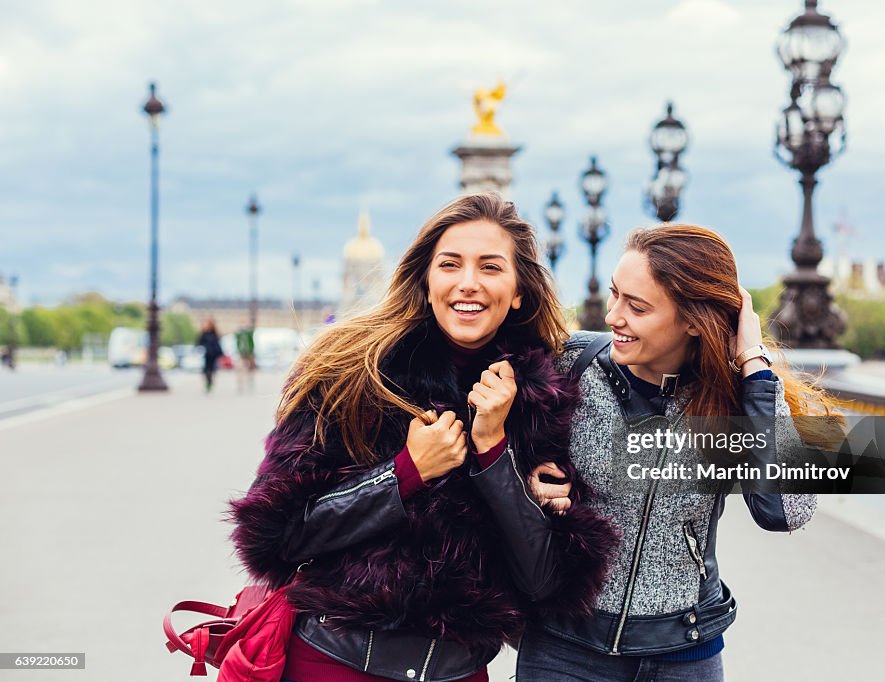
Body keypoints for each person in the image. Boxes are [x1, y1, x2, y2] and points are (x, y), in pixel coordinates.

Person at [229, 194, 614, 682]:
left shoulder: (541, 398)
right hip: (335, 662)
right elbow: (274, 536)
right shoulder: (352, 374)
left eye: (491, 267)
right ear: (426, 279)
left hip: (458, 671)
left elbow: (543, 583)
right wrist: (406, 472)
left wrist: (495, 452)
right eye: (450, 264)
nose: (468, 283)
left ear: (519, 290)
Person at [518, 223, 841, 682]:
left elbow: (785, 511)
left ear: (692, 320)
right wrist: (528, 485)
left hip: (683, 654)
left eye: (637, 306)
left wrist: (753, 363)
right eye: (614, 296)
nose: (613, 316)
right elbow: (492, 454)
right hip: (565, 647)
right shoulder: (571, 364)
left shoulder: (736, 398)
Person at [196, 318, 224, 393]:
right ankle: (208, 382)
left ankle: (210, 382)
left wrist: (220, 353)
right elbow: (199, 343)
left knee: (212, 369)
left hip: (213, 354)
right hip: (206, 354)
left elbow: (218, 344)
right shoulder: (204, 333)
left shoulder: (214, 334)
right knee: (206, 370)